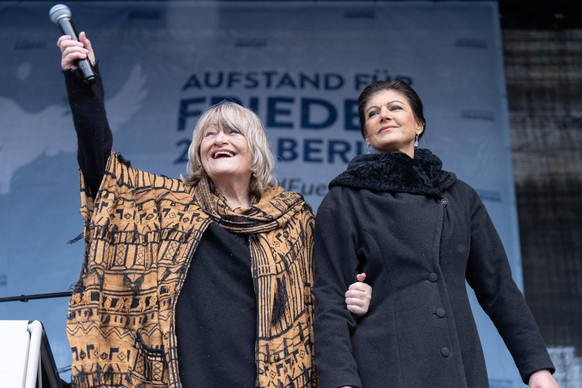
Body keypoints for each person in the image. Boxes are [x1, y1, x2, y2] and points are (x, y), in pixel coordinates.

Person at [57, 32, 372, 388]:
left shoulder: (293, 217)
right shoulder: (168, 204)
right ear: (199, 153)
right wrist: (84, 85)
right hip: (187, 374)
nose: (219, 139)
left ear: (255, 151)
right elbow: (105, 173)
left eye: (232, 133)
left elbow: (324, 291)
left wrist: (358, 295)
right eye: (209, 135)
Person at [312, 79, 559, 388]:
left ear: (419, 125)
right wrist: (341, 382)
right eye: (373, 114)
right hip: (382, 368)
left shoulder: (459, 196)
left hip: (459, 368)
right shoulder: (344, 199)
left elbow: (498, 288)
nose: (384, 116)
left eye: (395, 107)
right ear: (367, 135)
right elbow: (330, 299)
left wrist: (537, 368)